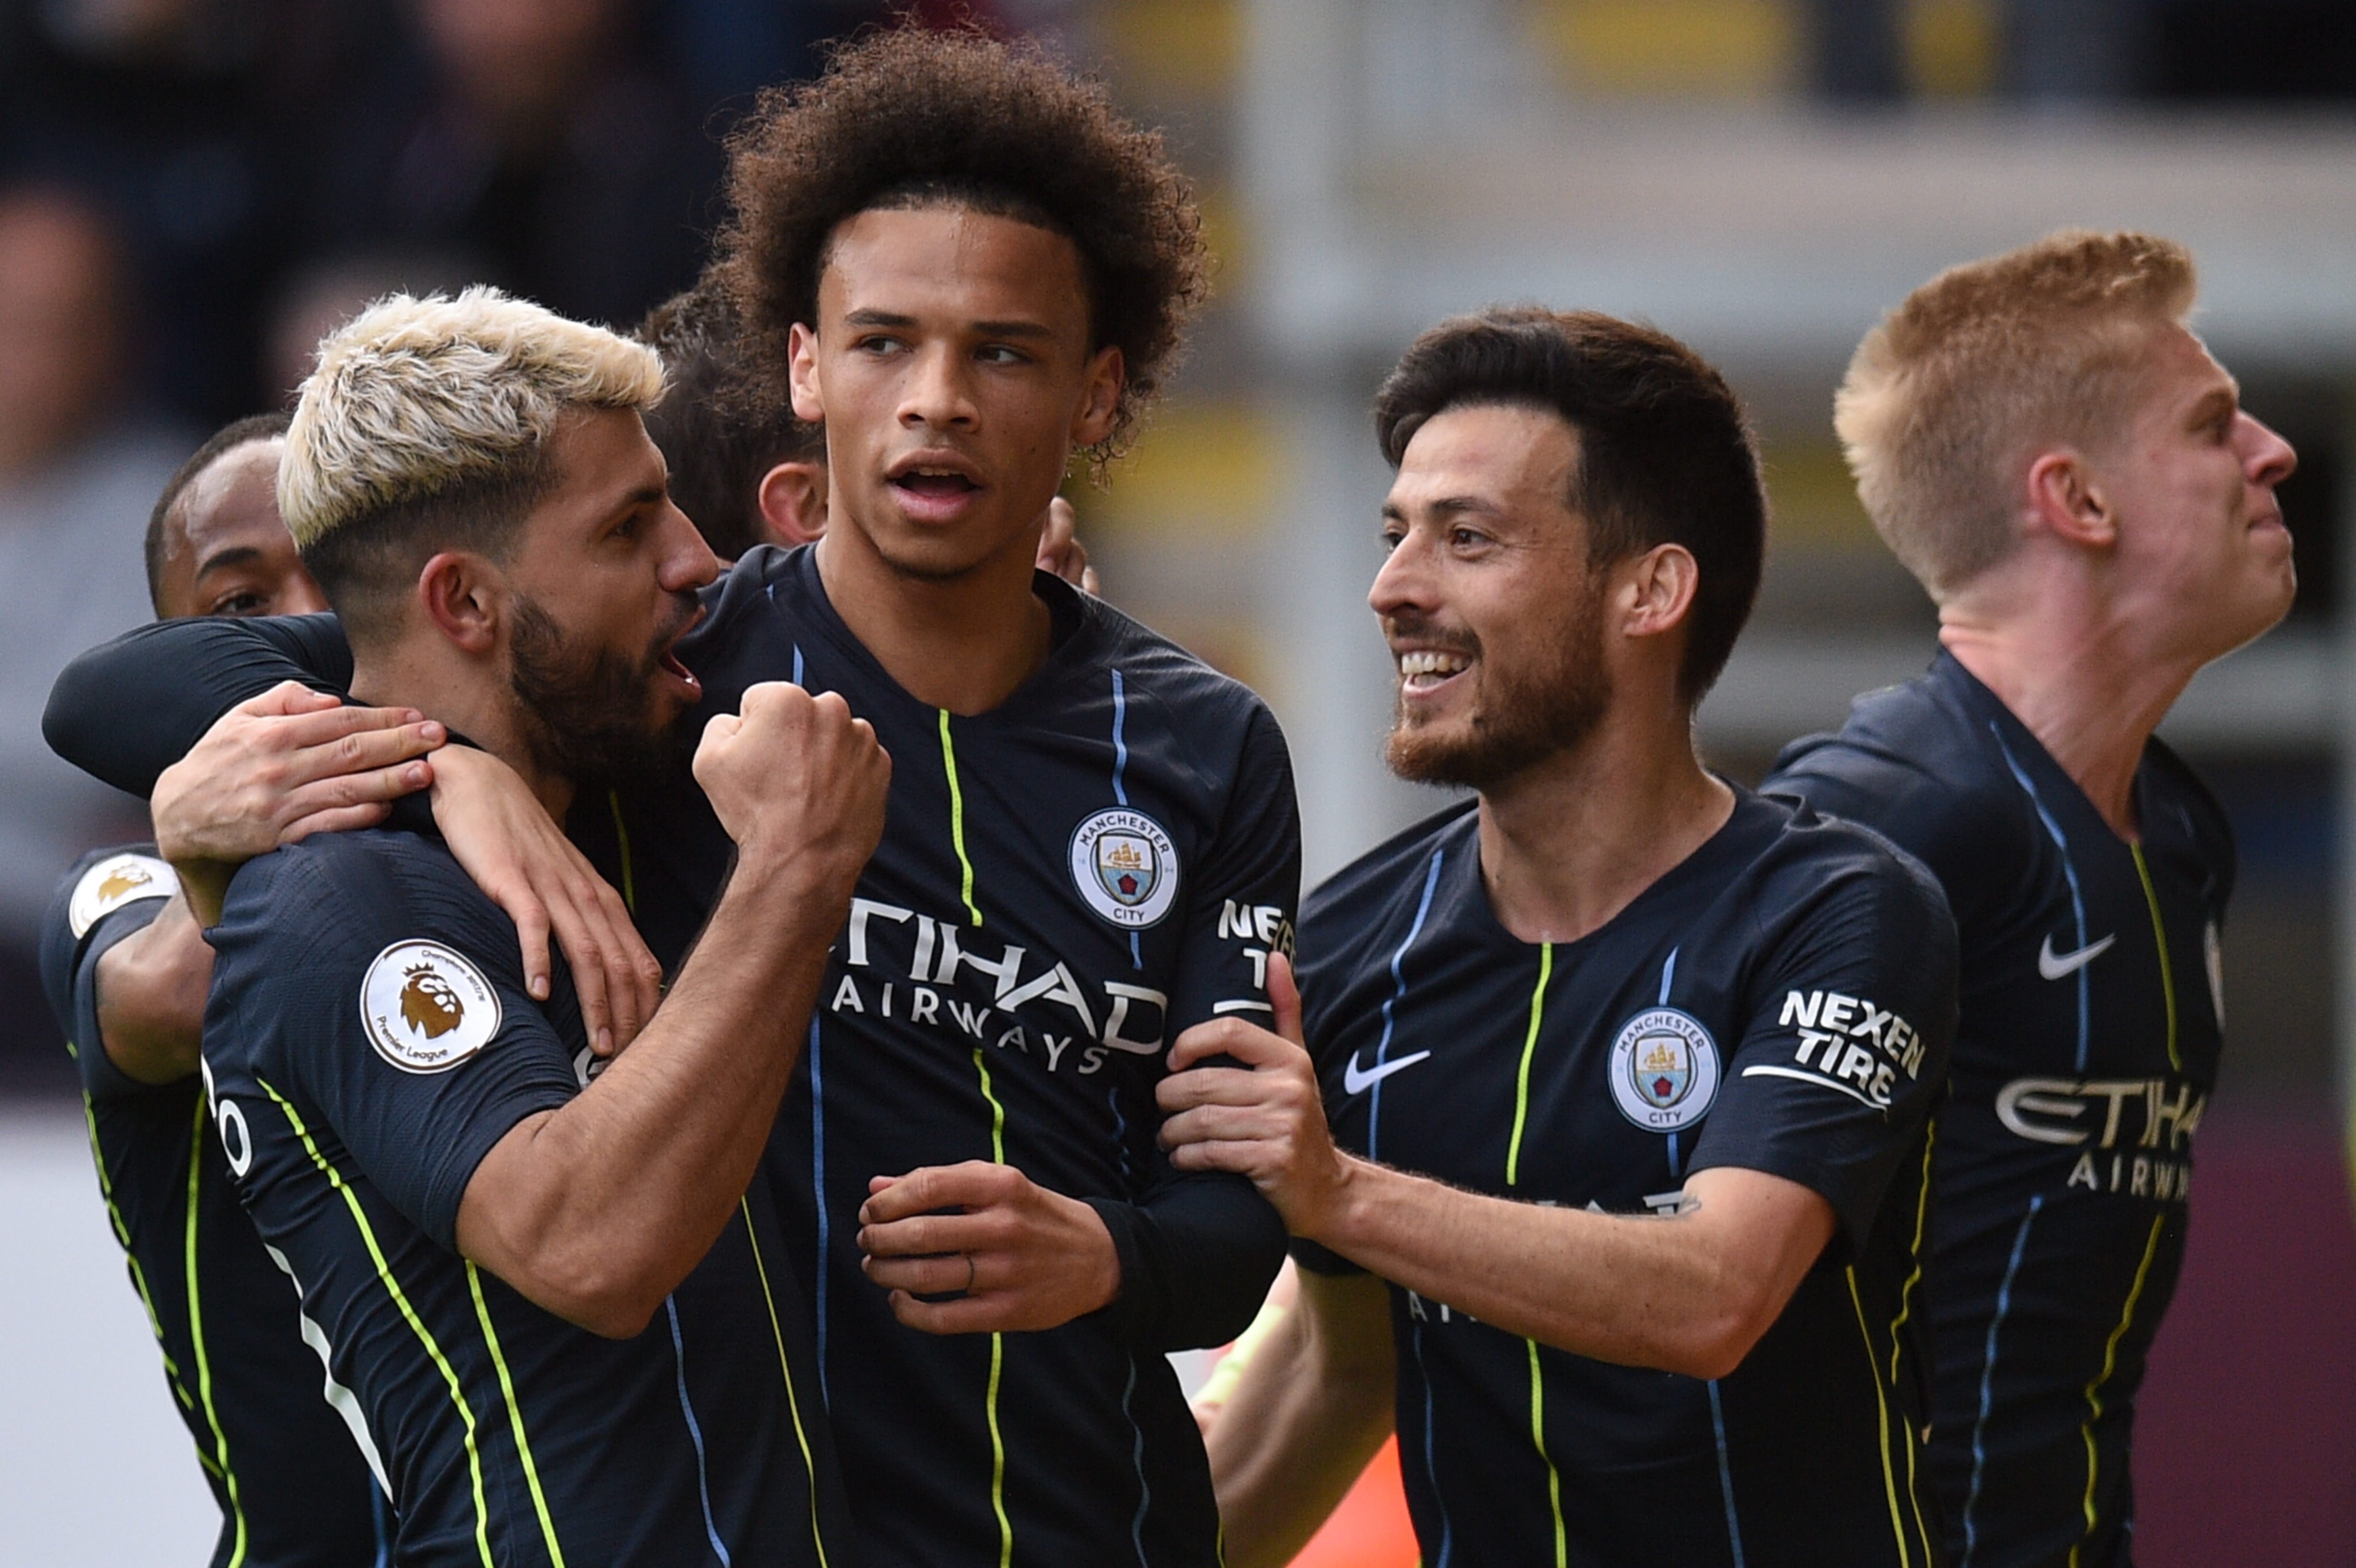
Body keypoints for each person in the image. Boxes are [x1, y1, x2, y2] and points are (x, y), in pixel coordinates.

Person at [47, 31, 1295, 1567]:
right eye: (888, 342)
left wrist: (1106, 1252)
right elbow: (147, 688)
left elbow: (1241, 1226)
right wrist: (447, 769)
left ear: (1099, 394)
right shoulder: (682, 673)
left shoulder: (1205, 746)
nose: (940, 403)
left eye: (1008, 352)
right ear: (804, 369)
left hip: (1067, 1517)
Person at [87, 288, 888, 1564]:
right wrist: (794, 871)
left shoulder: (615, 787)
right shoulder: (326, 898)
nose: (695, 560)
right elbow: (587, 1244)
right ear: (464, 606)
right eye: (630, 527)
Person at [1159, 308, 1960, 1568]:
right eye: (1395, 535)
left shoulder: (1840, 913)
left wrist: (1343, 1191)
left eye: (1466, 539)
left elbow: (1718, 1294)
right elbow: (1334, 1374)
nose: (1393, 588)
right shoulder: (1349, 955)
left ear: (1650, 589)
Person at [1762, 230, 2293, 1568]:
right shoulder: (1880, 826)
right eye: (2215, 422)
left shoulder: (2178, 834)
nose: (2274, 450)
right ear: (2080, 501)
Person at [38, 412, 410, 1568]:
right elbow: (150, 1003)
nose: (304, 619)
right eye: (242, 607)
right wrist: (215, 861)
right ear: (172, 654)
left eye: (339, 566)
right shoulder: (126, 884)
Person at [0, 186, 191, 1078]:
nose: (31, 355)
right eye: (14, 318)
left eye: (62, 322)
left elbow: (111, 737)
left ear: (116, 338)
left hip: (72, 930)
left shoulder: (169, 504)